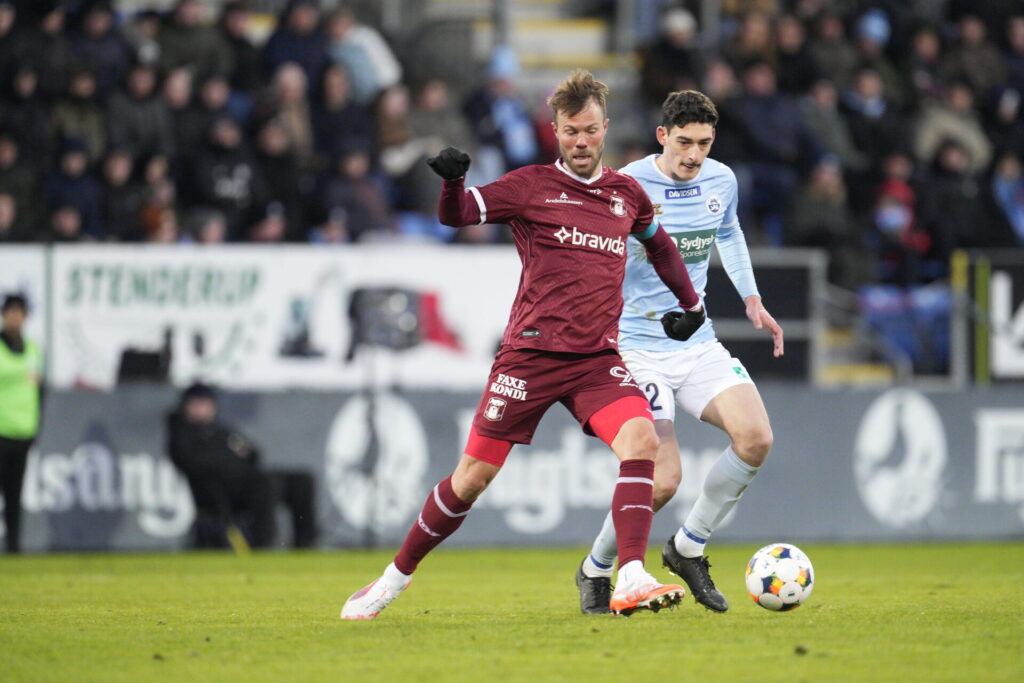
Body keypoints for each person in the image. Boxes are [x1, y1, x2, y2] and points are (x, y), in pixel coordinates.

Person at [341, 69, 706, 620]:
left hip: (594, 361)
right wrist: (451, 183)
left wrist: (692, 304)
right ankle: (393, 578)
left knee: (641, 441)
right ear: (554, 131)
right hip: (529, 358)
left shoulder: (626, 194)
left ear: (605, 128)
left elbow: (660, 249)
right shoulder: (530, 186)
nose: (579, 142)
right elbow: (457, 215)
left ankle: (629, 573)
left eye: (588, 130)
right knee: (471, 480)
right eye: (568, 132)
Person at [575, 90, 784, 614]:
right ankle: (596, 567)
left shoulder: (722, 180)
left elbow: (729, 233)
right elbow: (595, 256)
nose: (695, 155)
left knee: (756, 439)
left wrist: (752, 299)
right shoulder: (625, 185)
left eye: (705, 144)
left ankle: (688, 547)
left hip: (696, 340)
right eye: (685, 142)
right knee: (664, 478)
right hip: (637, 348)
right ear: (662, 136)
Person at [167, 383, 317, 549]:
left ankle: (305, 543)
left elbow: (253, 453)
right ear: (186, 406)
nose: (202, 409)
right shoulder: (182, 434)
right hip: (221, 494)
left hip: (248, 482)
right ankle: (263, 543)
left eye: (206, 404)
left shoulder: (220, 432)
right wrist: (225, 460)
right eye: (197, 404)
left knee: (303, 481)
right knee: (266, 484)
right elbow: (192, 462)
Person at [0, 294, 43, 553]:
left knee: (14, 494)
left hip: (23, 431)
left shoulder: (33, 349)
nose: (15, 318)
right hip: (0, 429)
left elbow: (37, 391)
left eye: (20, 313)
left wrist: (35, 423)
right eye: (11, 312)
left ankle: (14, 546)